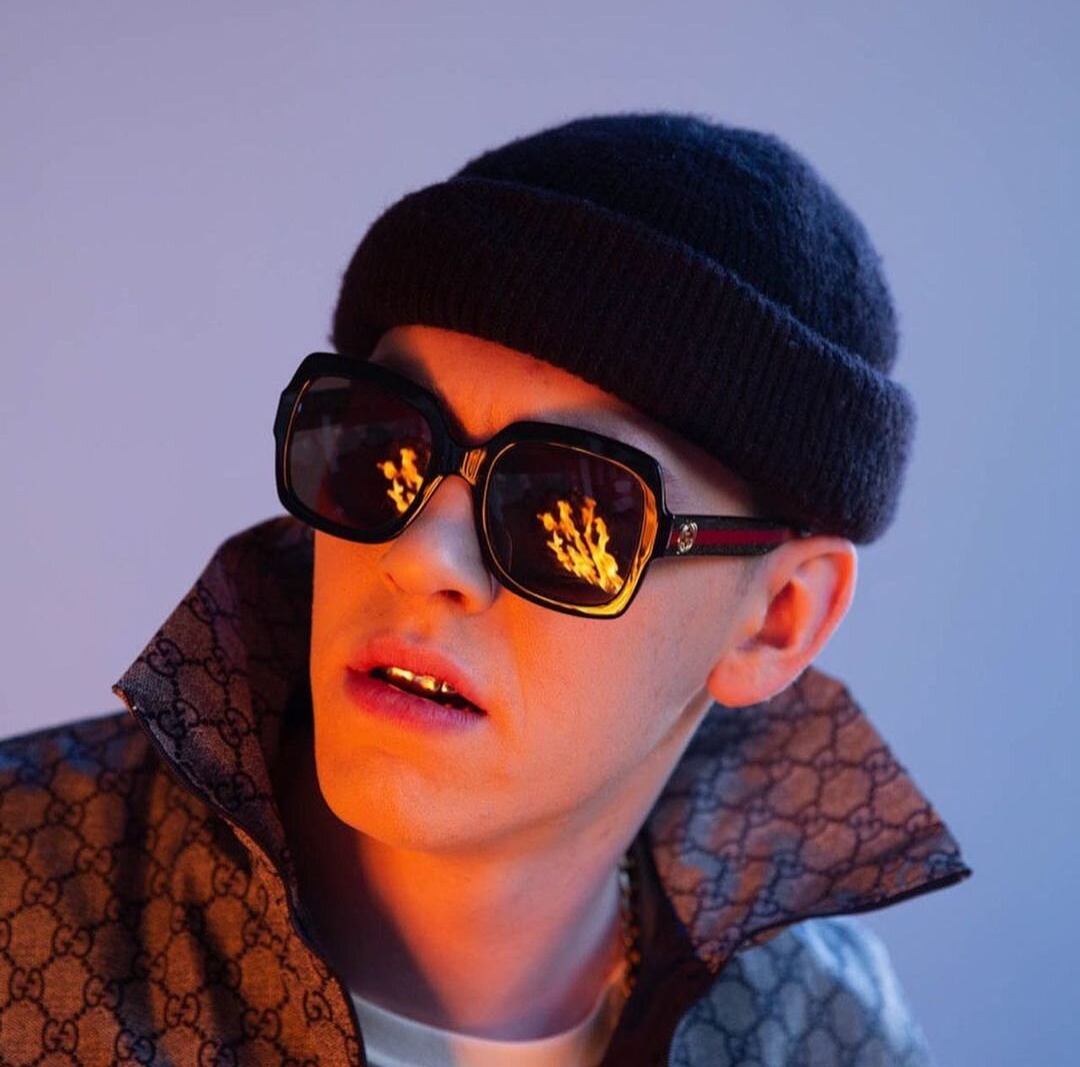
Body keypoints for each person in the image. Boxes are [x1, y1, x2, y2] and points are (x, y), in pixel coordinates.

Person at [0, 113, 970, 1066]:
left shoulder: (825, 1036)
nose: (423, 557)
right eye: (383, 447)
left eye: (569, 510)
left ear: (778, 621)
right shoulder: (21, 896)